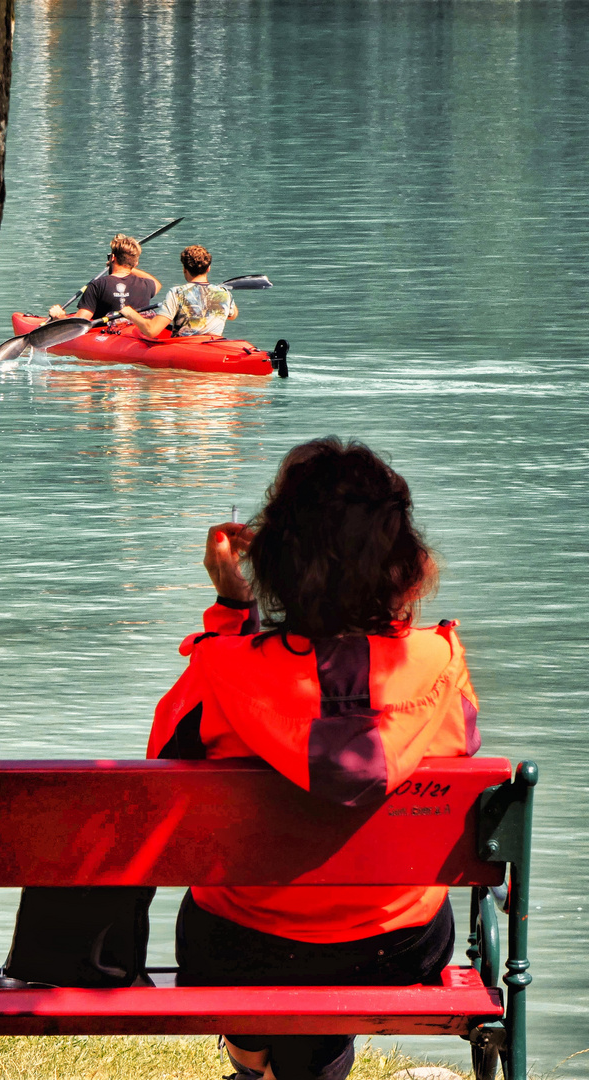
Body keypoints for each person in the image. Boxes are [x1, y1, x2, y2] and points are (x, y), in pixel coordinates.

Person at [147, 438, 481, 1080]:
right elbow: (457, 753)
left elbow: (160, 773)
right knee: (336, 930)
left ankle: (250, 1061)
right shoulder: (443, 665)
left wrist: (233, 612)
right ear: (402, 561)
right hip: (396, 946)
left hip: (238, 946)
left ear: (275, 557)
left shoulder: (221, 667)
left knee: (272, 926)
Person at [121, 244, 237, 339]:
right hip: (213, 344)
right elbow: (233, 315)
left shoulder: (177, 293)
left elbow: (152, 330)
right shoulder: (224, 293)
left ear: (184, 269)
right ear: (208, 268)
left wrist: (130, 313)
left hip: (184, 347)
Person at [47, 233, 160, 322]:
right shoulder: (146, 285)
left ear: (112, 258)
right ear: (135, 264)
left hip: (108, 337)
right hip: (137, 334)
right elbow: (157, 283)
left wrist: (60, 318)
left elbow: (79, 323)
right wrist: (129, 265)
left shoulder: (97, 286)